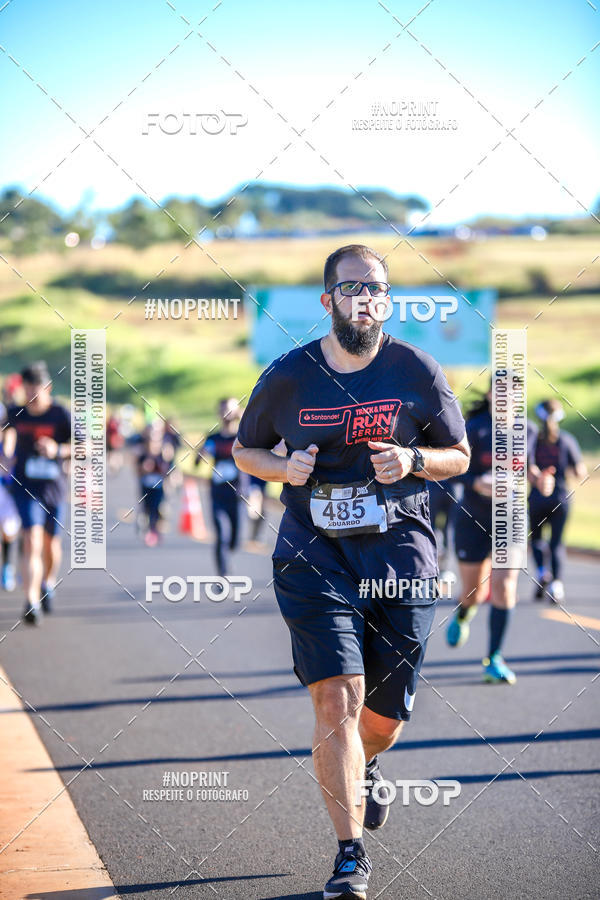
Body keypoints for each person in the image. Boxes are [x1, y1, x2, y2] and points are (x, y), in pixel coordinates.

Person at [232, 244, 469, 900]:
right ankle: (349, 854)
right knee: (336, 698)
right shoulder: (289, 375)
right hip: (314, 554)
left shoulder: (415, 369)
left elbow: (460, 453)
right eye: (354, 287)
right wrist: (283, 470)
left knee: (383, 718)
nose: (367, 298)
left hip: (400, 558)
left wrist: (414, 460)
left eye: (378, 289)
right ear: (328, 300)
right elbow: (244, 447)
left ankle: (367, 766)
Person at [446, 386, 537, 684]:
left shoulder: (528, 430)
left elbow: (529, 469)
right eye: (500, 392)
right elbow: (453, 468)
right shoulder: (473, 428)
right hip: (472, 517)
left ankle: (494, 658)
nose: (506, 398)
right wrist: (477, 484)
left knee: (505, 584)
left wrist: (540, 480)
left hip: (510, 517)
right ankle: (464, 613)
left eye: (513, 393)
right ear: (488, 396)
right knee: (472, 592)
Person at [2, 362, 71, 624]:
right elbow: (4, 431)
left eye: (37, 388)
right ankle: (31, 602)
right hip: (25, 487)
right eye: (28, 388)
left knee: (51, 545)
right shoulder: (16, 413)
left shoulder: (60, 415)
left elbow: (87, 448)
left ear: (48, 388)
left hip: (53, 488)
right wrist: (6, 456)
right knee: (32, 540)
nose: (32, 393)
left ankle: (47, 582)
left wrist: (58, 450)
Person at [528, 399, 586, 603]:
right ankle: (557, 585)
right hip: (561, 499)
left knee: (536, 539)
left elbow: (526, 467)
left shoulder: (532, 440)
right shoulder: (567, 440)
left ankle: (543, 572)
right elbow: (580, 471)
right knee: (556, 543)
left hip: (536, 498)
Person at [196, 399, 243, 576]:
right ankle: (223, 574)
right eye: (223, 410)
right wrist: (201, 454)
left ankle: (227, 558)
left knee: (234, 541)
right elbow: (196, 462)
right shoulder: (213, 438)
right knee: (221, 536)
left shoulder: (243, 437)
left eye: (231, 410)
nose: (227, 414)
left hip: (238, 495)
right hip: (217, 494)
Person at [136, 422, 174, 546]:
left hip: (160, 486)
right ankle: (147, 530)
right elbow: (137, 471)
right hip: (146, 485)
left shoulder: (165, 450)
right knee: (147, 509)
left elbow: (170, 469)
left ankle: (156, 530)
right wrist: (144, 468)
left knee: (159, 509)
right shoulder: (142, 451)